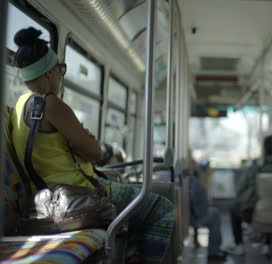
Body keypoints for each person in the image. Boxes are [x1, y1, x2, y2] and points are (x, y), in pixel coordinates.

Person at [10, 27, 175, 264]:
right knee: (163, 209)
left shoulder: (20, 104)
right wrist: (87, 140)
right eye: (61, 70)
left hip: (46, 195)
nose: (61, 76)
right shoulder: (52, 103)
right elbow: (95, 153)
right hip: (78, 194)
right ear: (48, 73)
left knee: (138, 212)